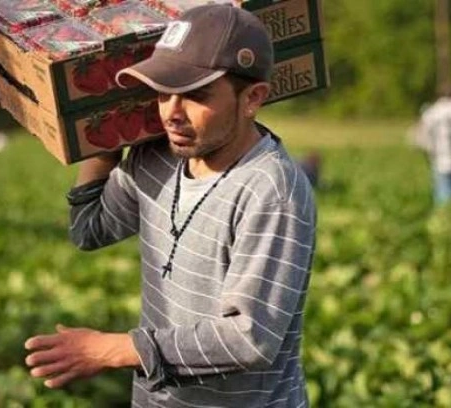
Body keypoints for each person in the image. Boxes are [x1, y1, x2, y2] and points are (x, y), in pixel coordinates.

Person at [24, 5, 316, 407]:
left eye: (196, 95)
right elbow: (88, 230)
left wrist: (112, 349)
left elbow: (249, 338)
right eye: (163, 92)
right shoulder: (156, 159)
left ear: (252, 98)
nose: (172, 114)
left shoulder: (271, 189)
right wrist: (104, 146)